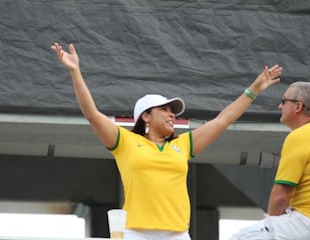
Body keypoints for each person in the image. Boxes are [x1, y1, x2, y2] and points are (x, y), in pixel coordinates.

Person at [51, 42, 282, 240]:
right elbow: (92, 114)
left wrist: (254, 89)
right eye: (164, 109)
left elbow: (223, 120)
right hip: (135, 233)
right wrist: (75, 72)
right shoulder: (125, 141)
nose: (172, 114)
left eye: (173, 111)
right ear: (145, 116)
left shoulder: (182, 145)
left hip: (177, 233)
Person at [230, 81, 310, 240]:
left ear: (298, 107)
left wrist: (271, 220)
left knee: (241, 237)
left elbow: (280, 196)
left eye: (283, 101)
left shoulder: (301, 136)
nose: (280, 106)